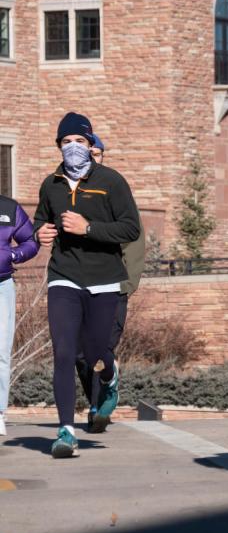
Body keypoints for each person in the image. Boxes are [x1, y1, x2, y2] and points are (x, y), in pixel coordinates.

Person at [34, 112, 140, 458]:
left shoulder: (111, 181)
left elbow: (130, 229)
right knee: (65, 354)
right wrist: (41, 233)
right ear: (58, 146)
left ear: (91, 144)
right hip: (63, 277)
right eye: (66, 142)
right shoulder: (51, 183)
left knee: (96, 353)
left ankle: (109, 377)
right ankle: (66, 430)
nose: (73, 147)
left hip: (104, 279)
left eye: (80, 141)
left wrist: (89, 228)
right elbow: (41, 220)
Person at [74, 134, 146, 433]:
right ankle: (98, 397)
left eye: (98, 153)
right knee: (80, 352)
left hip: (113, 287)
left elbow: (134, 240)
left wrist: (126, 283)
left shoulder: (115, 190)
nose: (93, 157)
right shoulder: (71, 194)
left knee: (99, 346)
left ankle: (98, 406)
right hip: (78, 287)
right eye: (88, 152)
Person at [0, 196, 39, 436]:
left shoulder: (8, 208)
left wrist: (13, 256)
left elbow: (31, 241)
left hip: (2, 286)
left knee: (1, 352)